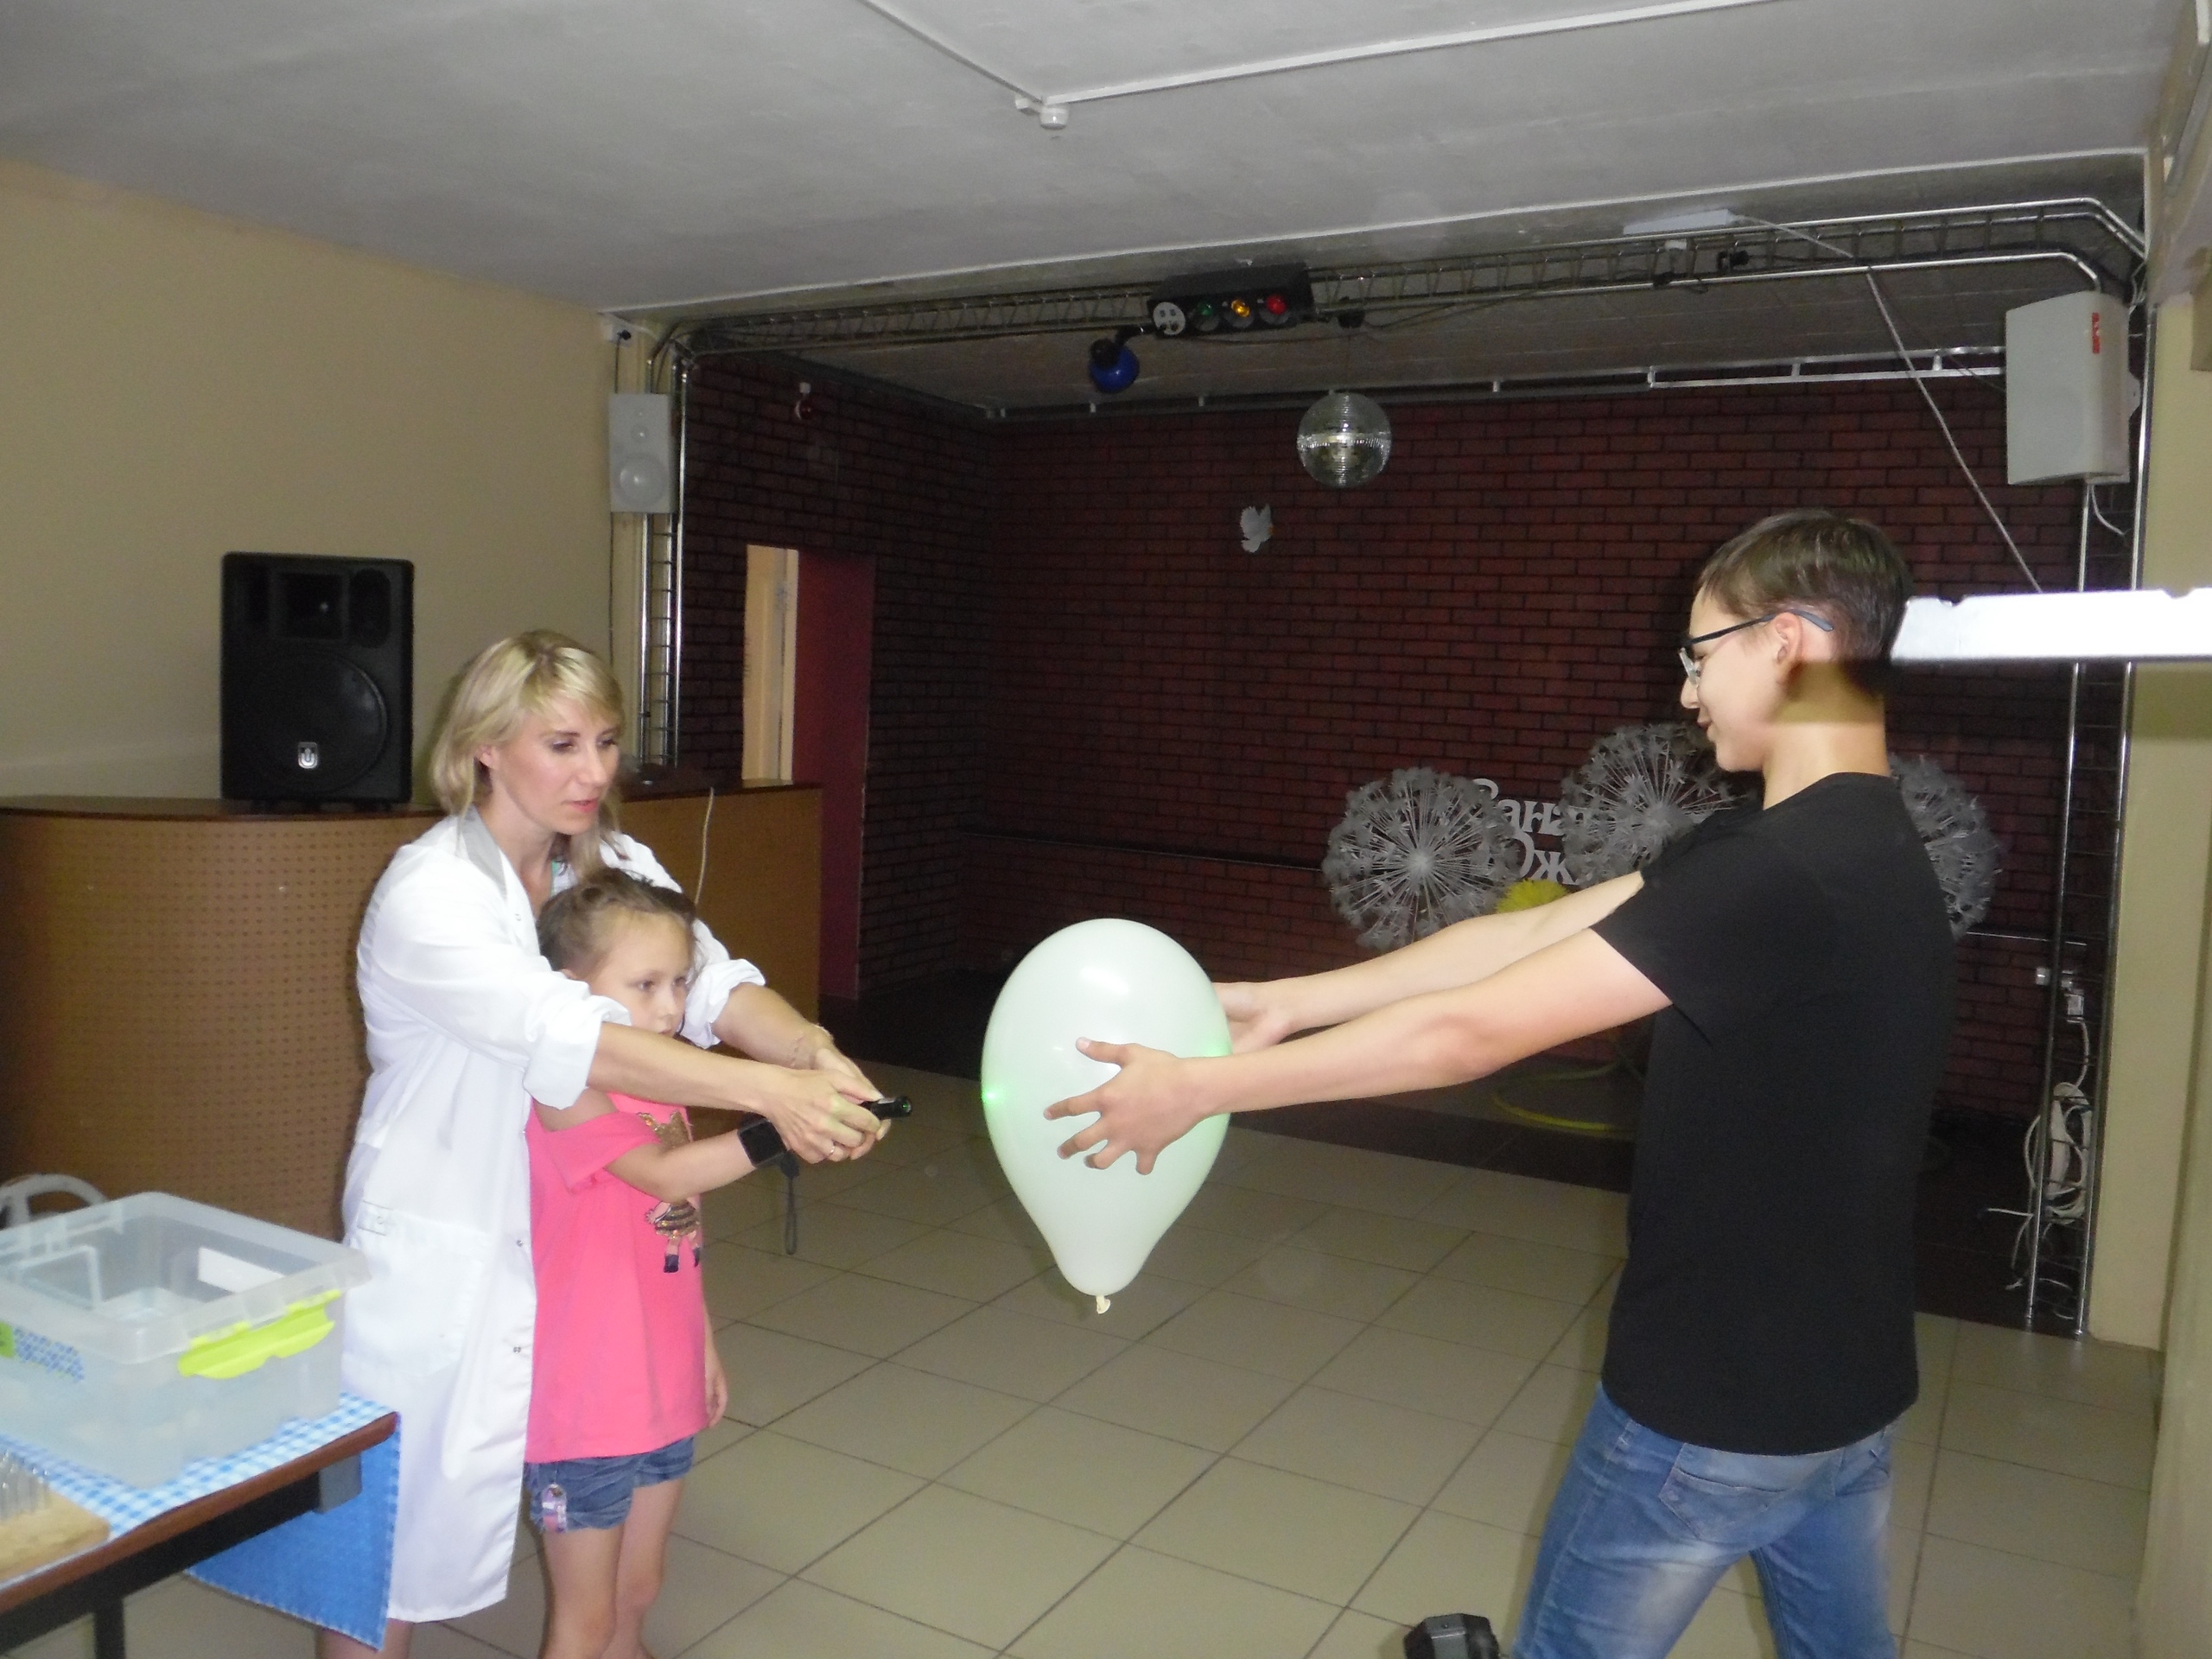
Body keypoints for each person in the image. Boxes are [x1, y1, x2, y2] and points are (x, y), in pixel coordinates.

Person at [1047, 510, 1951, 1659]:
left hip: (1711, 1404)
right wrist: (1290, 1000)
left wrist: (1205, 1088)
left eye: (1700, 652)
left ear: (1789, 640)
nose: (1687, 692)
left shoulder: (1780, 871)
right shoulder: (1853, 842)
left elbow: (1465, 1035)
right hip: (1845, 1399)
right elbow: (1525, 937)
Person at [325, 631, 885, 1659]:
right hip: (455, 1235)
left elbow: (711, 983)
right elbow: (575, 1038)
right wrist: (772, 1094)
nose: (594, 772)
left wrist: (809, 1049)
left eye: (607, 741)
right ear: (485, 747)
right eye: (562, 745)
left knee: (604, 1542)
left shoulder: (615, 865)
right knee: (390, 1556)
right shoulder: (431, 894)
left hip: (587, 1251)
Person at [526, 870, 765, 1659]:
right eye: (645, 985)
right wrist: (784, 1125)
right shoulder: (561, 1091)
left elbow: (677, 1239)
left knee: (639, 1589)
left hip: (661, 1382)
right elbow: (664, 1177)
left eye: (681, 983)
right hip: (584, 1404)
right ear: (570, 992)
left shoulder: (664, 1094)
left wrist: (702, 1345)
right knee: (586, 1617)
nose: (669, 1009)